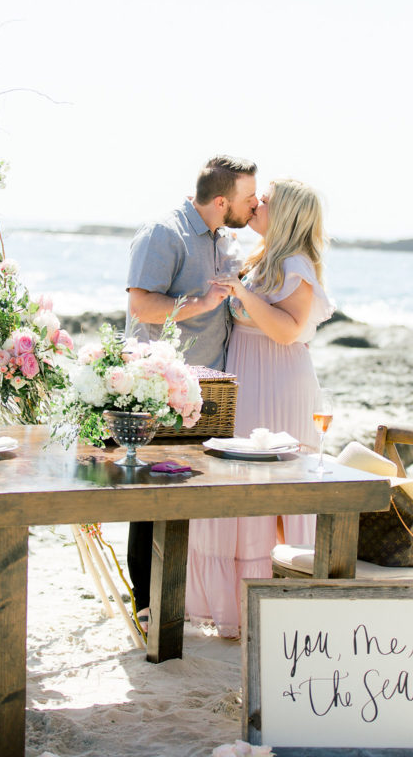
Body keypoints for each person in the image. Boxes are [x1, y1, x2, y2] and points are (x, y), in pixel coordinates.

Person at [185, 178, 334, 638]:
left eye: (265, 200)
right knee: (242, 488)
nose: (256, 203)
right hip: (247, 376)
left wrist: (242, 294)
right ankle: (241, 607)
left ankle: (284, 606)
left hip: (279, 380)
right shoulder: (262, 256)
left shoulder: (295, 263)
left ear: (286, 213)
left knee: (273, 488)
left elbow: (287, 331)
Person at [125, 155, 259, 633]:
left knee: (184, 493)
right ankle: (145, 603)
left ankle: (175, 596)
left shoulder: (224, 237)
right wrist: (201, 303)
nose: (255, 203)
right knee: (151, 497)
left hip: (208, 389)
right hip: (157, 388)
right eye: (248, 198)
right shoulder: (164, 233)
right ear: (222, 201)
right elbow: (142, 304)